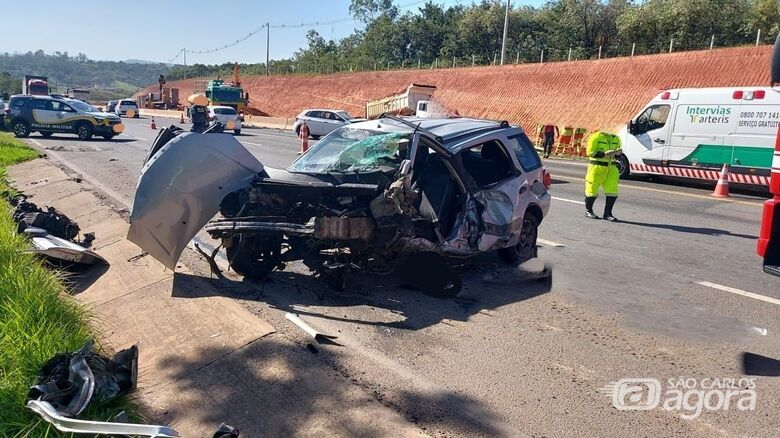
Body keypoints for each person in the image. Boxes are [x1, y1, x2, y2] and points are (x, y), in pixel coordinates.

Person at [584, 131, 622, 221]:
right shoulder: (595, 137)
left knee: (613, 191)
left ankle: (608, 213)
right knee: (591, 190)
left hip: (611, 168)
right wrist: (604, 154)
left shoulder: (616, 138)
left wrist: (618, 153)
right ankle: (588, 210)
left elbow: (618, 154)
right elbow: (590, 152)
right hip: (597, 168)